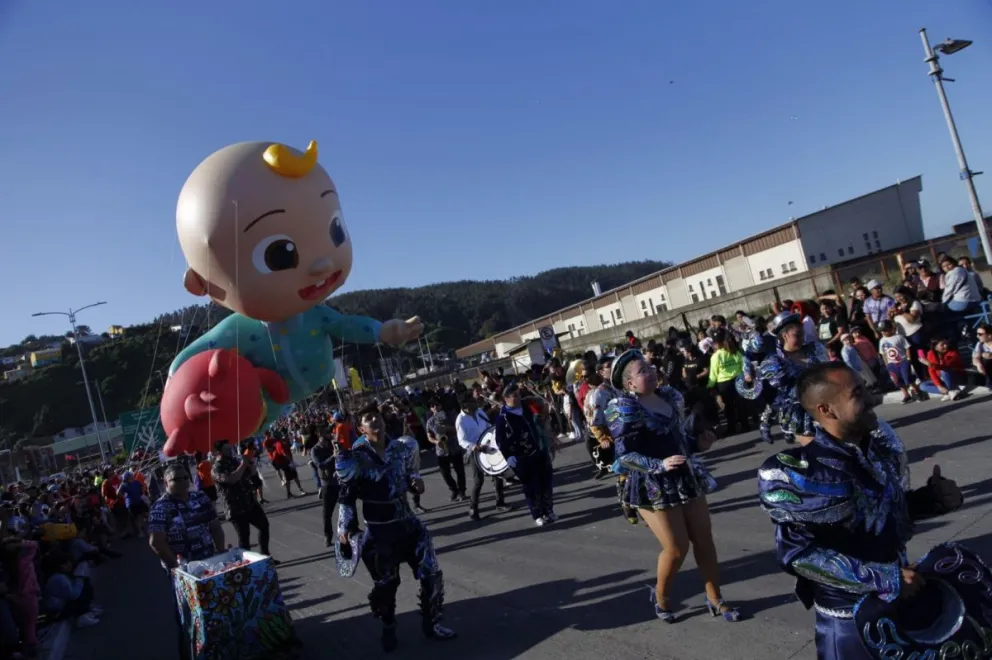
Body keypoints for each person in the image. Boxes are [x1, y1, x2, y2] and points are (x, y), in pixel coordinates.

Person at [757, 362, 965, 659]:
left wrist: (932, 500)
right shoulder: (802, 473)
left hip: (901, 606)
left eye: (865, 389)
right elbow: (799, 555)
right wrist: (886, 579)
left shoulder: (875, 451)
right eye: (858, 393)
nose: (871, 399)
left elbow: (877, 516)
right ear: (826, 410)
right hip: (850, 625)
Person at [605, 350, 738, 624]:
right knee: (677, 548)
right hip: (651, 484)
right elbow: (624, 456)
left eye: (650, 366)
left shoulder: (669, 397)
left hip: (685, 476)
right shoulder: (624, 408)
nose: (651, 371)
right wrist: (659, 464)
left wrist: (700, 444)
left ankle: (715, 598)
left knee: (704, 540)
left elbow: (680, 441)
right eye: (642, 371)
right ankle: (661, 597)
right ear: (630, 383)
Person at [335, 404, 457, 652]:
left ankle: (432, 623)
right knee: (387, 585)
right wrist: (345, 527)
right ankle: (389, 626)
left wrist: (416, 482)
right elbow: (346, 497)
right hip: (379, 531)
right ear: (361, 428)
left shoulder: (402, 448)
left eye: (377, 416)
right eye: (368, 418)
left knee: (431, 573)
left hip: (408, 524)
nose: (375, 420)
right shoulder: (355, 458)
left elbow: (411, 475)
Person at [147, 462, 225, 660]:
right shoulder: (160, 507)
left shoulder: (200, 497)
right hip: (184, 573)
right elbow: (156, 542)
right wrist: (178, 569)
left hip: (210, 564)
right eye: (176, 479)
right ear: (166, 483)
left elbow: (215, 526)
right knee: (188, 617)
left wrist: (222, 552)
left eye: (185, 477)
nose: (182, 482)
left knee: (215, 608)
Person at [757, 311, 829, 444]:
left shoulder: (814, 349)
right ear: (785, 336)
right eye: (797, 335)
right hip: (802, 416)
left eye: (802, 334)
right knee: (818, 449)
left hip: (827, 406)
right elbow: (775, 397)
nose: (802, 338)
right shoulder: (773, 362)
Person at [494, 383, 556, 527]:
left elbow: (543, 411)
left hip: (539, 450)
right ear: (506, 398)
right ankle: (537, 514)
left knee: (546, 484)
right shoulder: (503, 418)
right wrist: (508, 456)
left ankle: (549, 511)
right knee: (532, 488)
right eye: (514, 396)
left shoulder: (527, 407)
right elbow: (500, 440)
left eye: (518, 395)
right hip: (523, 457)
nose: (517, 398)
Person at [212, 441, 277, 561]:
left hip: (249, 502)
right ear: (219, 452)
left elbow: (250, 473)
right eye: (226, 449)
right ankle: (248, 564)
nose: (230, 451)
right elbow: (231, 479)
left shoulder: (235, 461)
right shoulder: (217, 468)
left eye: (230, 448)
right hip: (235, 507)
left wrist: (249, 465)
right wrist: (243, 464)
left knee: (264, 526)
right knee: (244, 537)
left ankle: (266, 556)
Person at [455, 394, 510, 521]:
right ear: (465, 405)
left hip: (488, 445)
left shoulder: (479, 412)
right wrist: (474, 446)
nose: (476, 403)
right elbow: (462, 440)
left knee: (497, 474)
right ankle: (473, 509)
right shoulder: (460, 420)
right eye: (472, 401)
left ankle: (500, 503)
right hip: (475, 452)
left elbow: (488, 427)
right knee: (478, 481)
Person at [425, 399, 467, 502]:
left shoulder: (450, 416)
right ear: (431, 408)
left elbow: (460, 429)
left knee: (460, 471)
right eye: (432, 406)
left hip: (454, 446)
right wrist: (436, 441)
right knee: (445, 473)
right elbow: (429, 436)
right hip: (441, 450)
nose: (435, 407)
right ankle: (454, 490)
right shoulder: (430, 421)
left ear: (440, 405)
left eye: (437, 404)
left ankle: (462, 491)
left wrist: (448, 427)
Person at [309, 429, 339, 547]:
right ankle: (328, 536)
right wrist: (333, 456)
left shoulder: (333, 445)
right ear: (320, 435)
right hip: (328, 483)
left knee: (348, 508)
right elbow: (320, 465)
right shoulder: (315, 450)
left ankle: (351, 532)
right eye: (327, 433)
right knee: (327, 513)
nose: (330, 435)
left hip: (339, 481)